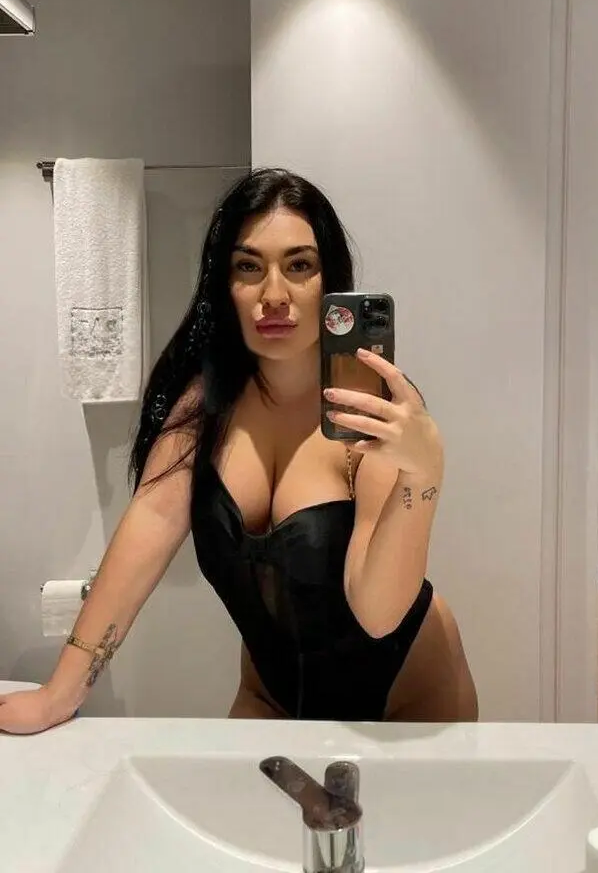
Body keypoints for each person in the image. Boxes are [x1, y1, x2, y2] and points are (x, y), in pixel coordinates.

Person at [0, 168, 477, 733]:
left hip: (410, 699)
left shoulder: (369, 407)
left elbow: (378, 614)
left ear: (330, 281)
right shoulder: (205, 406)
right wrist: (59, 694)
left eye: (299, 266)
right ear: (224, 284)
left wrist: (423, 475)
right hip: (270, 696)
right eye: (249, 267)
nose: (273, 295)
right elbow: (149, 524)